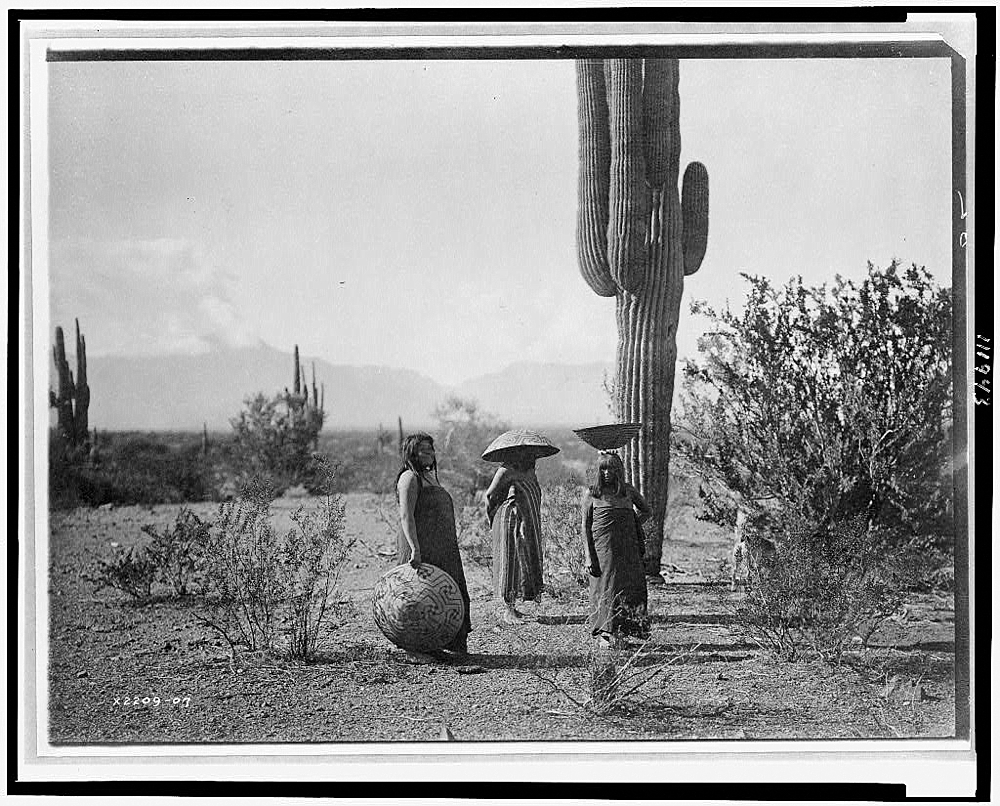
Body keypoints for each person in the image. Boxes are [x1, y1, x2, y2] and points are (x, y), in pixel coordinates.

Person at [396, 432, 472, 664]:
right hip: (422, 546)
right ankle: (418, 649)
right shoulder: (409, 478)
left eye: (431, 450)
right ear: (412, 453)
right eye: (423, 450)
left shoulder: (430, 477)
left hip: (443, 548)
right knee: (421, 598)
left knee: (449, 595)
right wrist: (415, 549)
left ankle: (446, 644)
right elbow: (406, 516)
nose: (429, 454)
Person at [582, 451, 652, 646]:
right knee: (605, 587)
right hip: (603, 550)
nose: (607, 472)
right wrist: (588, 556)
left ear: (619, 470)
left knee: (628, 586)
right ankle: (605, 634)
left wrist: (631, 525)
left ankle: (622, 632)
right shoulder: (592, 493)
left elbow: (647, 510)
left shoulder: (628, 491)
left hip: (628, 548)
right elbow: (585, 526)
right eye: (603, 468)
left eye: (611, 468)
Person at [483, 446, 544, 625]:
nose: (530, 455)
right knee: (510, 561)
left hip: (528, 521)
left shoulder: (530, 471)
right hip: (510, 519)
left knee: (523, 562)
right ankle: (508, 610)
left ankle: (514, 605)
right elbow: (489, 495)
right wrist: (491, 518)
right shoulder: (506, 470)